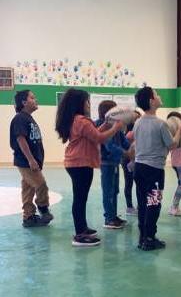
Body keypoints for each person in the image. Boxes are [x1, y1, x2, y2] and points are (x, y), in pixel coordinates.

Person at [55, 88, 122, 247]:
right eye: (87, 101)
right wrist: (115, 128)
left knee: (81, 198)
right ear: (80, 103)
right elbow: (98, 138)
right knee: (80, 199)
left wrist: (106, 125)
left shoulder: (77, 120)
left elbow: (92, 134)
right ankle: (79, 235)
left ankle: (82, 228)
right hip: (80, 164)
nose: (89, 104)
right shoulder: (81, 121)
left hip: (77, 163)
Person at [133, 86, 181, 251]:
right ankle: (149, 238)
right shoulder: (161, 124)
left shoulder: (138, 122)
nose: (159, 96)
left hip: (139, 168)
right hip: (154, 171)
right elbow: (172, 144)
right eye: (156, 94)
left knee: (143, 203)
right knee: (154, 204)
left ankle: (143, 237)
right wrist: (180, 131)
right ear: (151, 101)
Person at [10, 90, 54, 227]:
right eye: (32, 98)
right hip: (25, 161)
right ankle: (43, 207)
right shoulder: (20, 118)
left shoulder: (28, 118)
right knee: (41, 184)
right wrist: (30, 159)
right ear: (24, 103)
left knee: (28, 189)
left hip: (30, 161)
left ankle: (28, 217)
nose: (36, 100)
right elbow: (20, 139)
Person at [95, 100, 130, 229]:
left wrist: (132, 146)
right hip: (106, 163)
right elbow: (109, 145)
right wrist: (127, 154)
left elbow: (124, 141)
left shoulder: (116, 127)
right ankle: (108, 218)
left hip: (115, 163)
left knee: (114, 191)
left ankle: (113, 215)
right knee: (108, 191)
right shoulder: (101, 125)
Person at [121, 110, 141, 216]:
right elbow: (125, 149)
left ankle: (140, 206)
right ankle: (129, 206)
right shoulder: (128, 134)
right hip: (128, 161)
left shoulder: (141, 131)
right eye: (135, 118)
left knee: (139, 183)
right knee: (129, 183)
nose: (137, 120)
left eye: (138, 117)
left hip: (139, 160)